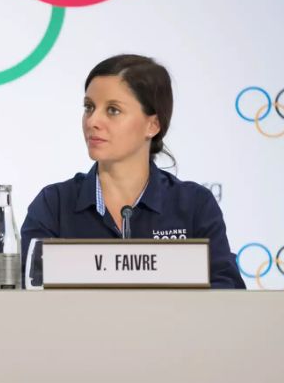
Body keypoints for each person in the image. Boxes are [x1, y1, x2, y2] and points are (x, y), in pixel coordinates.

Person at [20, 54, 245, 289]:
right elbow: (28, 295)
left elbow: (227, 296)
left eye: (113, 110)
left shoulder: (193, 205)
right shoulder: (54, 204)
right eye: (89, 107)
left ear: (153, 125)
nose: (92, 121)